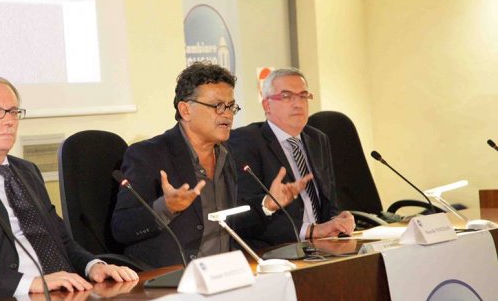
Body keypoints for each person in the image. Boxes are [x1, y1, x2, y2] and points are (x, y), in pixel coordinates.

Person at [0, 76, 138, 301]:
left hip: (65, 292)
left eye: (13, 111)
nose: (9, 121)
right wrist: (29, 284)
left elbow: (60, 239)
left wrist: (93, 266)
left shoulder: (27, 170)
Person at [111, 62, 249, 268]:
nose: (228, 115)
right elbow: (121, 228)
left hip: (225, 273)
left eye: (231, 106)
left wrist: (267, 205)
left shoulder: (229, 154)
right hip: (173, 277)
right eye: (218, 106)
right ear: (185, 110)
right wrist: (166, 208)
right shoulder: (147, 155)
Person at [228, 68, 355, 248]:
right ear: (266, 105)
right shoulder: (246, 141)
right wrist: (311, 231)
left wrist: (338, 220)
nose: (298, 104)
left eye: (303, 96)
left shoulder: (317, 139)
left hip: (323, 246)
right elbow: (248, 217)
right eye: (286, 96)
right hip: (276, 251)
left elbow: (329, 201)